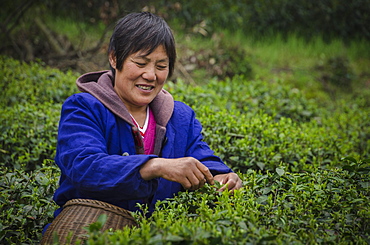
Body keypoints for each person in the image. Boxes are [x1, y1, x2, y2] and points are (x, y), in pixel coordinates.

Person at [45, 11, 242, 236]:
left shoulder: (180, 117)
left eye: (161, 66)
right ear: (114, 58)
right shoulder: (84, 108)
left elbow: (204, 159)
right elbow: (85, 166)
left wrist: (224, 177)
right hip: (85, 233)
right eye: (140, 63)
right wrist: (154, 166)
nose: (150, 75)